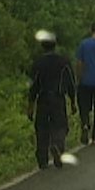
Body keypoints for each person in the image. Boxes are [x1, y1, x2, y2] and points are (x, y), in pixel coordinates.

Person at [27, 33, 77, 169]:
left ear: (42, 46)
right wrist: (73, 101)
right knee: (60, 125)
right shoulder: (64, 62)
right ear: (55, 45)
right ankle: (57, 146)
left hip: (42, 98)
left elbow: (33, 86)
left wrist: (30, 105)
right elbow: (71, 83)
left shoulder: (38, 63)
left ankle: (42, 159)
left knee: (42, 128)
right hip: (58, 98)